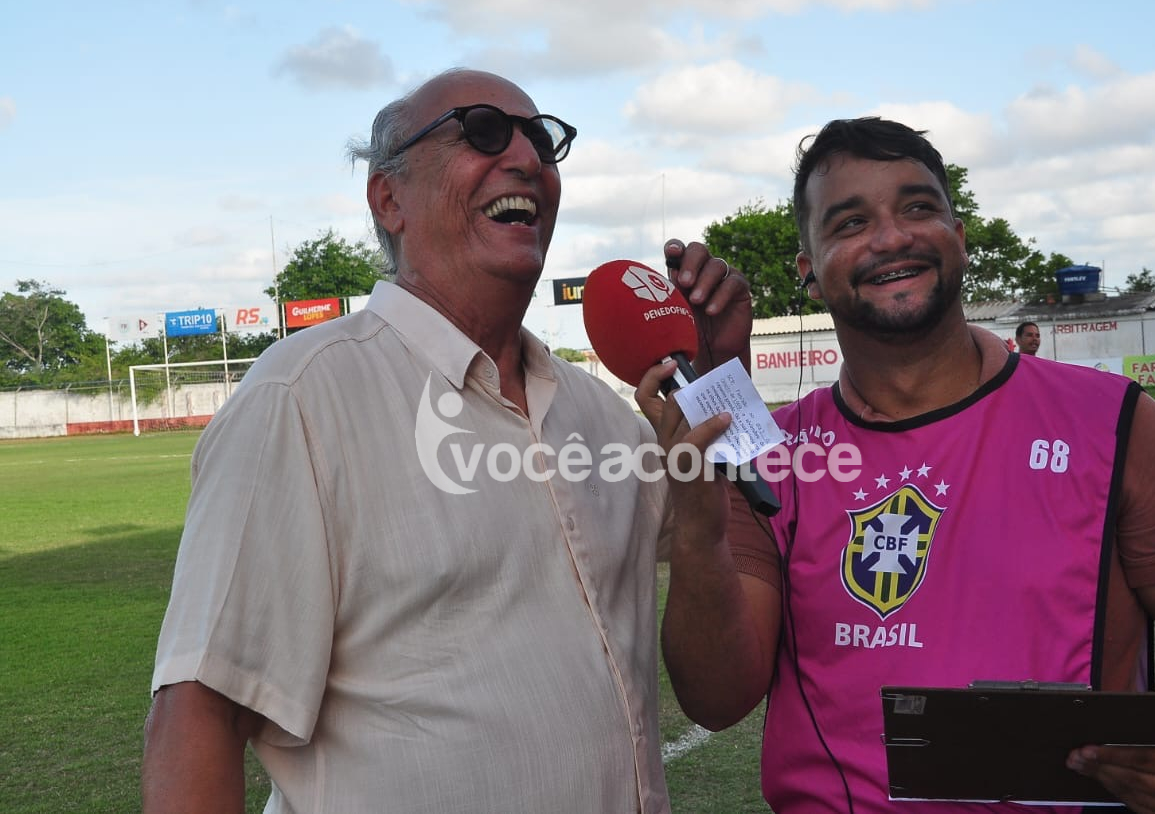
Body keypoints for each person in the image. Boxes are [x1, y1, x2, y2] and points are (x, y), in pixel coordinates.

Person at [141, 68, 747, 814]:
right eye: (482, 131)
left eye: (542, 140)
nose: (525, 158)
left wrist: (722, 378)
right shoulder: (299, 398)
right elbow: (200, 711)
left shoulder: (608, 419)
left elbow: (720, 691)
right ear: (388, 199)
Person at [639, 117, 1155, 814]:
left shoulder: (1116, 423)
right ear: (810, 273)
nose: (891, 238)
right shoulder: (770, 453)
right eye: (851, 223)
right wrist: (699, 506)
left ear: (960, 236)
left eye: (917, 207)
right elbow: (717, 698)